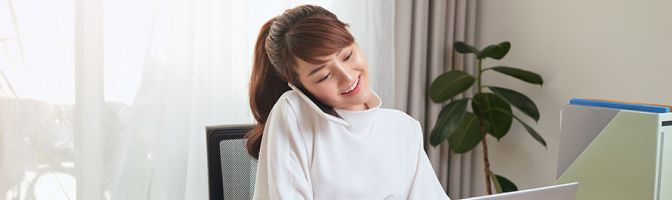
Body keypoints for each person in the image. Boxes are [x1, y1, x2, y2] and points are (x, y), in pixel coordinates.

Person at [246, 4, 450, 200]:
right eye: (324, 76)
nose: (347, 76)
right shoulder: (293, 113)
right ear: (299, 88)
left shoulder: (403, 128)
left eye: (347, 55)